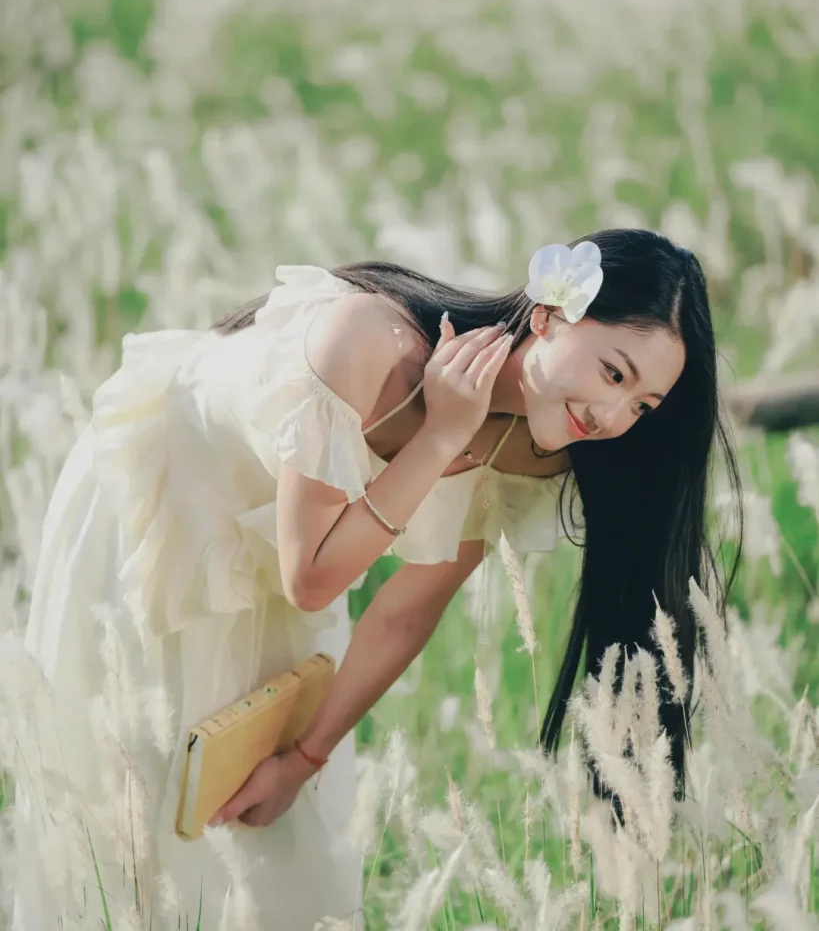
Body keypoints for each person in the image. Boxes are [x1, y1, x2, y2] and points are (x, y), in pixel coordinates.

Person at [8, 229, 741, 930]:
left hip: (281, 573)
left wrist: (304, 758)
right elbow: (312, 578)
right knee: (134, 836)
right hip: (154, 531)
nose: (613, 415)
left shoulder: (537, 449)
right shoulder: (365, 342)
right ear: (549, 314)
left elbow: (406, 610)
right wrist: (443, 435)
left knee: (291, 865)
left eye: (642, 406)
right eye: (614, 372)